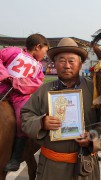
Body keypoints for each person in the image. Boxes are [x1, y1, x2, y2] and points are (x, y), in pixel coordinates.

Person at [21, 38, 101, 180]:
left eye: (71, 61)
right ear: (54, 63)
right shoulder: (43, 91)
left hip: (85, 169)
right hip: (51, 169)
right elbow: (26, 117)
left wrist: (94, 138)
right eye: (61, 60)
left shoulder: (94, 90)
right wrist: (41, 122)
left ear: (80, 64)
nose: (67, 66)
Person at [0, 33, 49, 172]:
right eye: (44, 52)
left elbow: (36, 83)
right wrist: (5, 76)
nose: (44, 56)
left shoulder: (39, 67)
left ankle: (15, 157)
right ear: (38, 47)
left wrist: (16, 83)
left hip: (20, 96)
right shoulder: (15, 51)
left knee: (24, 119)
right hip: (2, 86)